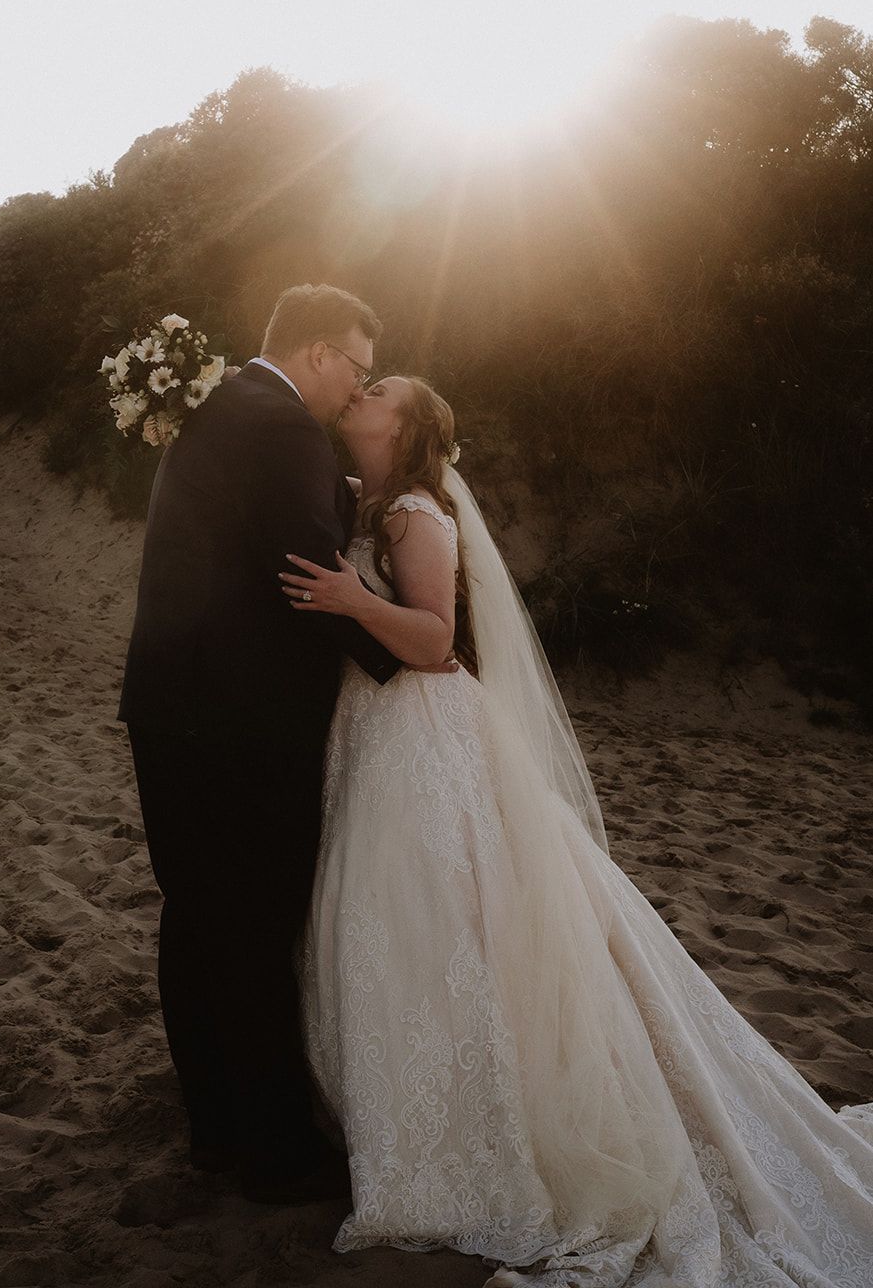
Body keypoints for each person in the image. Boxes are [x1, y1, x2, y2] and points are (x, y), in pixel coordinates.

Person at [281, 374, 873, 1286]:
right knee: (403, 915)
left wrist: (351, 602)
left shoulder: (411, 512)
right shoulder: (364, 501)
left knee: (443, 911)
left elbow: (436, 640)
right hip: (377, 730)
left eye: (381, 387)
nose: (362, 389)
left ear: (405, 425)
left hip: (424, 729)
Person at [117, 285, 455, 1205]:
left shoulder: (222, 408)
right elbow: (307, 576)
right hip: (241, 724)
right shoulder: (284, 430)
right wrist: (415, 671)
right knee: (258, 926)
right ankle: (273, 1150)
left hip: (169, 706)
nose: (353, 388)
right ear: (314, 353)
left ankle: (215, 1130)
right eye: (351, 365)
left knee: (194, 917)